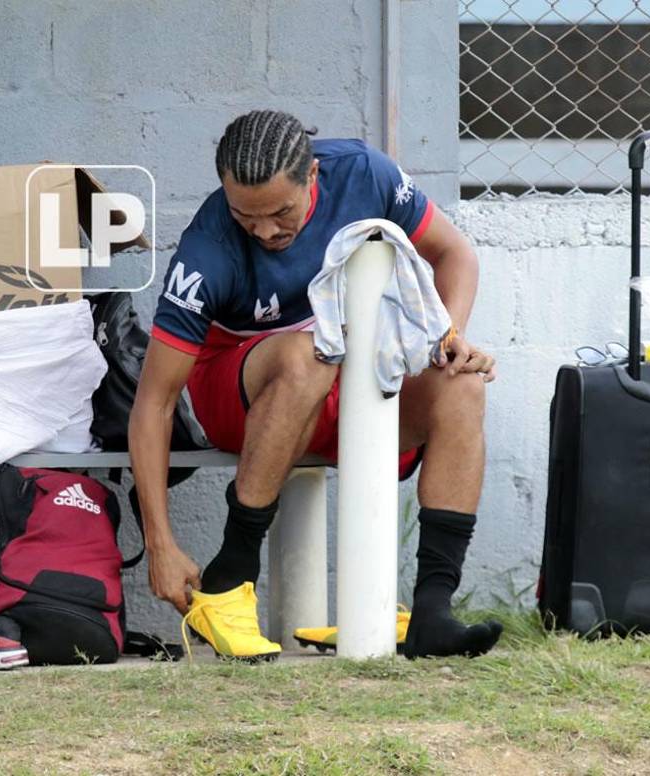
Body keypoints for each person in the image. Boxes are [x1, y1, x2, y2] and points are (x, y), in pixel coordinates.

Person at [129, 110, 503, 661]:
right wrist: (160, 544)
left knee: (462, 385)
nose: (264, 231)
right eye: (245, 216)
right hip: (241, 391)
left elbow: (455, 254)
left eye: (280, 212)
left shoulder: (364, 175)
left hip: (339, 385)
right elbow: (154, 404)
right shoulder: (207, 251)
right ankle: (230, 577)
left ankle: (432, 610)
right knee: (311, 352)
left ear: (314, 178)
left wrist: (451, 334)